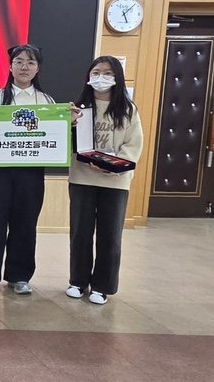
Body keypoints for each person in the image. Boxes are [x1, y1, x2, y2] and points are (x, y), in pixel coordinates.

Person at [0, 44, 55, 295]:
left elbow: (54, 136)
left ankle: (19, 276)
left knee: (25, 224)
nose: (24, 67)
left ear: (38, 68)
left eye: (30, 62)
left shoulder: (47, 101)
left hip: (31, 172)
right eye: (19, 62)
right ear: (10, 66)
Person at [67, 56, 143, 305]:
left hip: (115, 182)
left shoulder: (128, 110)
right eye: (96, 72)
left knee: (110, 236)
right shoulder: (78, 108)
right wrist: (70, 125)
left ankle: (102, 286)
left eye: (108, 73)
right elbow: (65, 142)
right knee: (80, 233)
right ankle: (78, 281)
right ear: (89, 77)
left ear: (117, 77)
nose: (102, 77)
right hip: (82, 179)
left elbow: (133, 145)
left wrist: (114, 165)